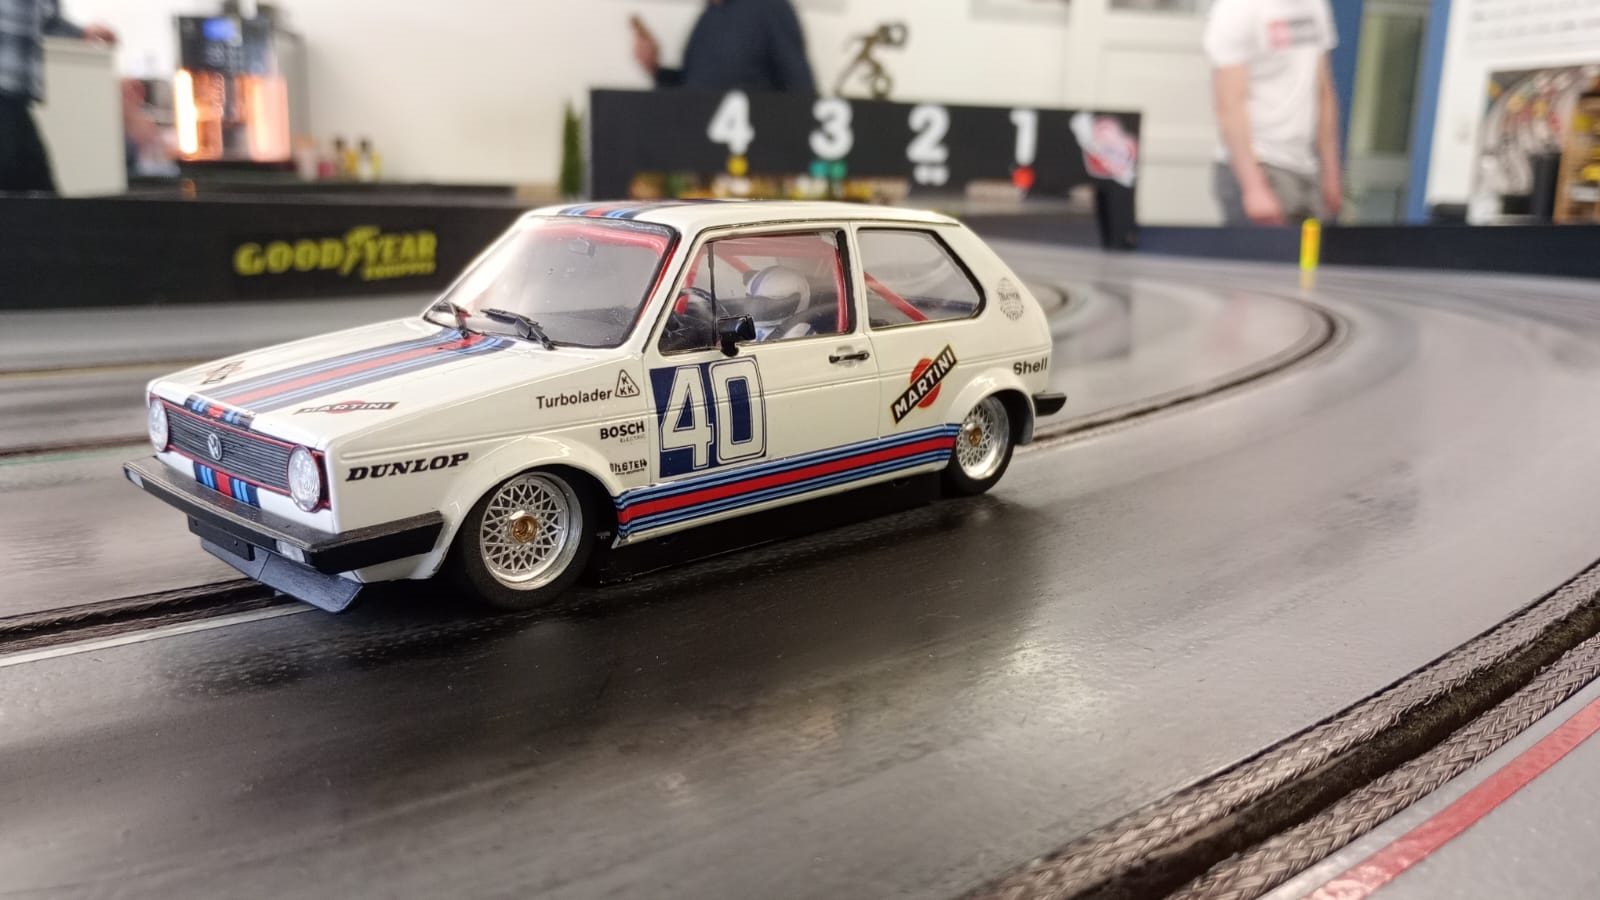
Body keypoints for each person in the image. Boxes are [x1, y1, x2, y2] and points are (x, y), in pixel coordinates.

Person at [1203, 0, 1341, 226]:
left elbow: (1324, 92)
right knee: (1267, 250)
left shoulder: (1315, 6)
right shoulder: (1237, 9)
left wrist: (1331, 171)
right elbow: (1229, 104)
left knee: (1312, 249)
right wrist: (1253, 187)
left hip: (1306, 166)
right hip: (1261, 163)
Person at [0, 0, 114, 193]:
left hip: (17, 100)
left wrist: (82, 33)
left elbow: (48, 21)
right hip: (8, 98)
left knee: (38, 188)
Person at [631, 0, 815, 95]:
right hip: (700, 144)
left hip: (753, 148)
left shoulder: (770, 7)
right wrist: (655, 69)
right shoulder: (707, 17)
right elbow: (692, 87)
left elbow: (800, 87)